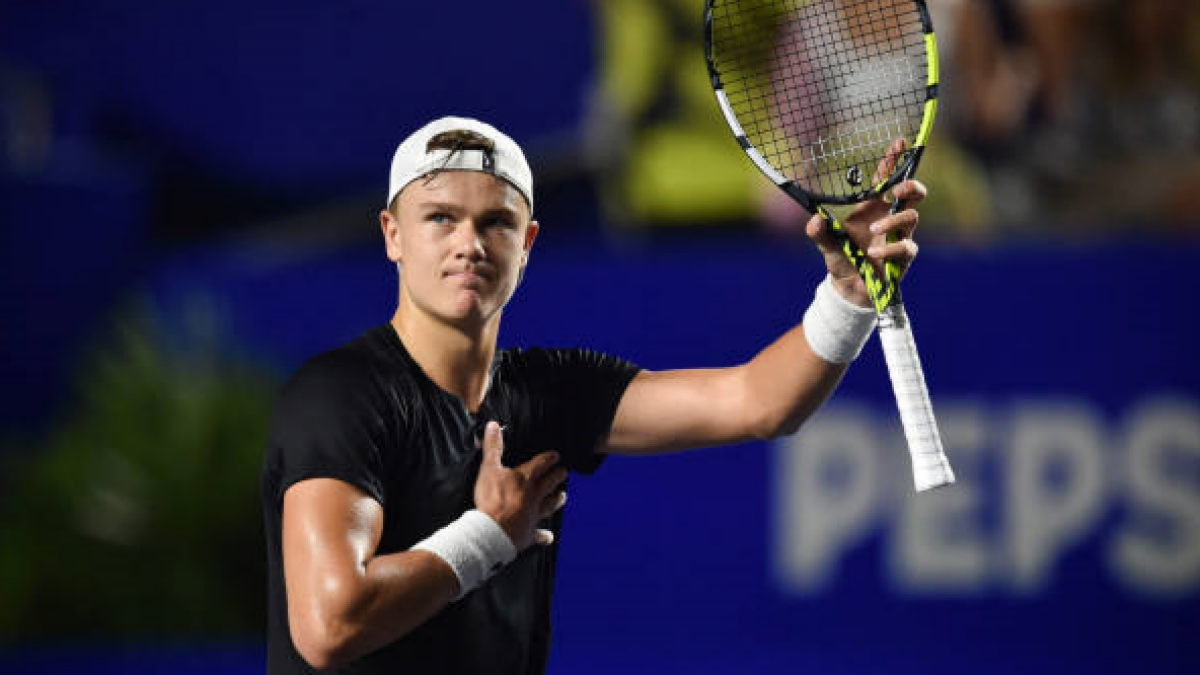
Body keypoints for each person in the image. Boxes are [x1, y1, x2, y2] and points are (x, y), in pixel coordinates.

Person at [260, 116, 925, 674]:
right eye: (440, 217)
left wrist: (848, 298)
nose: (469, 243)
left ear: (528, 244)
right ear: (392, 235)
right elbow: (328, 623)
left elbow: (759, 402)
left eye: (495, 222)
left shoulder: (554, 390)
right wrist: (487, 537)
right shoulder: (340, 395)